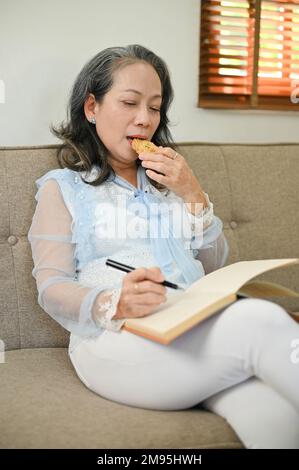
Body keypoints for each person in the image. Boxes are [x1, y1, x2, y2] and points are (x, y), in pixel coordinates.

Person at [28, 44, 299, 449]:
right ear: (91, 107)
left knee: (271, 413)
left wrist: (192, 192)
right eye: (129, 102)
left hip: (191, 328)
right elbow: (51, 287)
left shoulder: (167, 182)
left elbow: (214, 266)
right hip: (116, 339)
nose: (144, 119)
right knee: (260, 321)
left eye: (155, 107)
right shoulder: (63, 187)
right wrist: (114, 302)